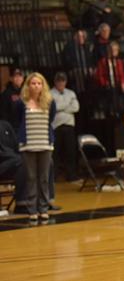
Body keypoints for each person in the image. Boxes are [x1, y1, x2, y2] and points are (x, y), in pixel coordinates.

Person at [16, 73, 56, 224]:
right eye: (33, 83)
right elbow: (19, 119)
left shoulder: (50, 102)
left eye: (39, 83)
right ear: (28, 85)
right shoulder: (22, 103)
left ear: (43, 85)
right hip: (28, 145)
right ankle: (32, 210)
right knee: (31, 178)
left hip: (45, 144)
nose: (36, 86)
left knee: (44, 178)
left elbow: (51, 119)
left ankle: (44, 209)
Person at [50, 72, 80, 183]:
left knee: (70, 152)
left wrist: (60, 108)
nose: (61, 83)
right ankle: (54, 176)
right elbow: (53, 108)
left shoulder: (71, 93)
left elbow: (76, 107)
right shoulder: (50, 94)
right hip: (56, 126)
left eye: (63, 80)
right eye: (59, 81)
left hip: (69, 126)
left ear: (65, 82)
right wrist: (67, 105)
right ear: (55, 82)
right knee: (55, 153)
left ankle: (71, 175)